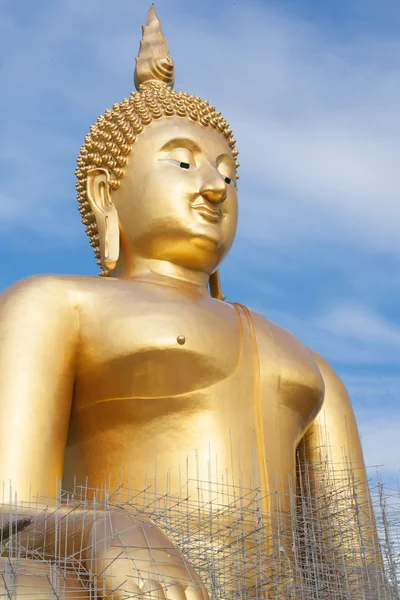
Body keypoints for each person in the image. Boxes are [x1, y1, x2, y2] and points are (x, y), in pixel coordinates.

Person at [0, 7, 382, 599]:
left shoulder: (309, 364)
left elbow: (357, 574)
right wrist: (106, 534)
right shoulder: (56, 305)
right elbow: (7, 512)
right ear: (107, 193)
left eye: (228, 175)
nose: (213, 187)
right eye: (182, 162)